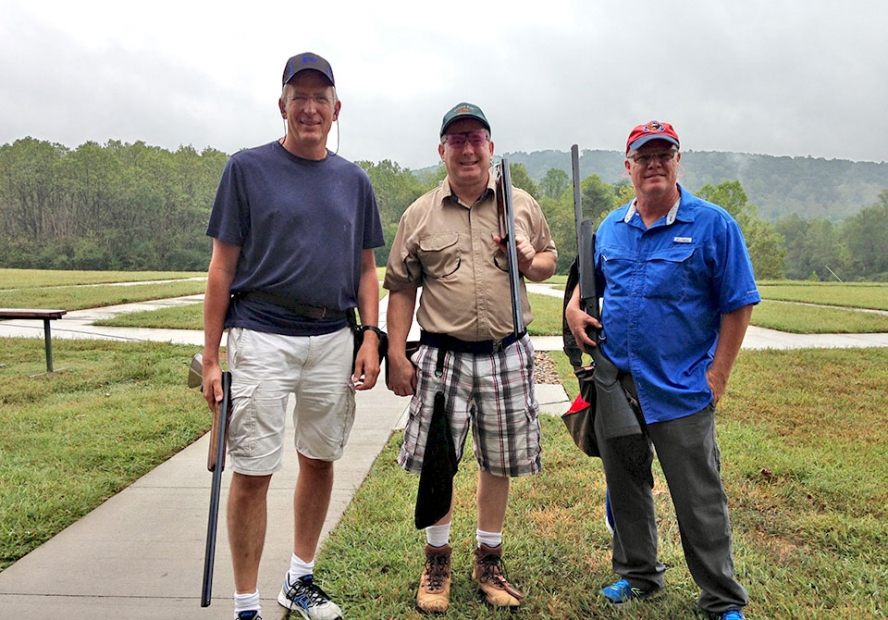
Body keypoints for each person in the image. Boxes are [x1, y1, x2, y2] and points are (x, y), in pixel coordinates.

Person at [202, 52, 385, 620]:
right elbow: (221, 269)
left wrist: (371, 336)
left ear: (336, 109)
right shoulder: (246, 169)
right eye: (298, 96)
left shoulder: (354, 180)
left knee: (320, 459)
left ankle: (299, 579)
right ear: (282, 105)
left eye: (320, 97)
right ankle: (247, 604)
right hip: (261, 334)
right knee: (253, 469)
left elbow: (365, 270)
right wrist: (210, 358)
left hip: (333, 336)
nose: (309, 107)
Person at [565, 120, 759, 620]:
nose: (653, 164)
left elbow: (738, 304)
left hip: (681, 388)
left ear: (678, 162)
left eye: (663, 155)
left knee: (699, 499)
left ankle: (721, 599)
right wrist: (570, 309)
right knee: (626, 487)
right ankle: (638, 574)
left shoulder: (713, 225)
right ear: (628, 167)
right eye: (643, 156)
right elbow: (587, 280)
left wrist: (717, 377)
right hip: (617, 385)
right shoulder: (611, 227)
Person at [384, 102, 558, 613]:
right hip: (441, 357)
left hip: (506, 352)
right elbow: (399, 288)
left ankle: (488, 559)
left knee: (498, 459)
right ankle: (436, 562)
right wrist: (398, 352)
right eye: (455, 139)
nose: (466, 147)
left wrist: (529, 258)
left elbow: (549, 261)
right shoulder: (419, 214)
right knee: (439, 459)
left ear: (491, 146)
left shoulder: (519, 204)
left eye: (475, 137)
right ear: (442, 150)